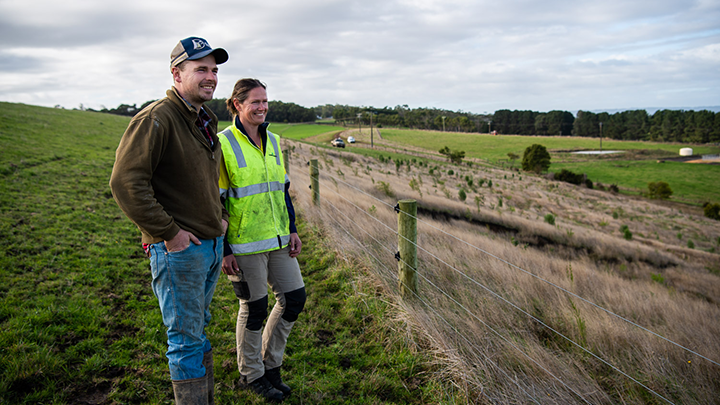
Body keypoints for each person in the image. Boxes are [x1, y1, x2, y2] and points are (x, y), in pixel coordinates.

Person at [109, 36, 228, 405]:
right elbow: (126, 182)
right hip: (181, 251)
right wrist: (170, 234)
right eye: (200, 69)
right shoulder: (157, 118)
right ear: (177, 74)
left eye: (214, 70)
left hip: (209, 245)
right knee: (185, 340)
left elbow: (207, 178)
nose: (210, 77)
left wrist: (220, 219)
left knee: (199, 330)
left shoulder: (203, 117)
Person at [218, 78, 306, 402]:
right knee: (254, 308)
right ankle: (250, 374)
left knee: (294, 299)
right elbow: (217, 200)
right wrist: (225, 249)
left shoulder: (274, 139)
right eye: (255, 101)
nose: (262, 107)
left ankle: (271, 367)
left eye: (265, 101)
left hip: (279, 238)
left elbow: (281, 190)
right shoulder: (223, 144)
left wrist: (293, 228)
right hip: (243, 244)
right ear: (237, 104)